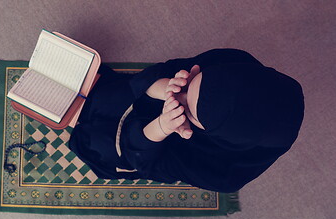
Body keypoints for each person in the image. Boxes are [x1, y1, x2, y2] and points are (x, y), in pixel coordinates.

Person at [68, 48, 304, 193]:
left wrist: (163, 125)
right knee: (108, 95)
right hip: (150, 96)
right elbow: (167, 70)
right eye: (192, 82)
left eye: (189, 109)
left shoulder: (221, 173)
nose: (175, 98)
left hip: (150, 144)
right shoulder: (233, 60)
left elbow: (148, 164)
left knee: (97, 144)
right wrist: (164, 88)